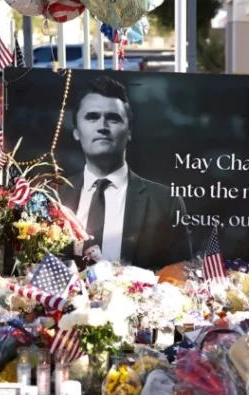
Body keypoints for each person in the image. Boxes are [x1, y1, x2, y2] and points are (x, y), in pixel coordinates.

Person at [58, 75, 192, 268]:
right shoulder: (54, 196)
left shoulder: (165, 203)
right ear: (76, 131)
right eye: (92, 117)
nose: (102, 127)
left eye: (113, 118)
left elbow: (179, 278)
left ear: (129, 131)